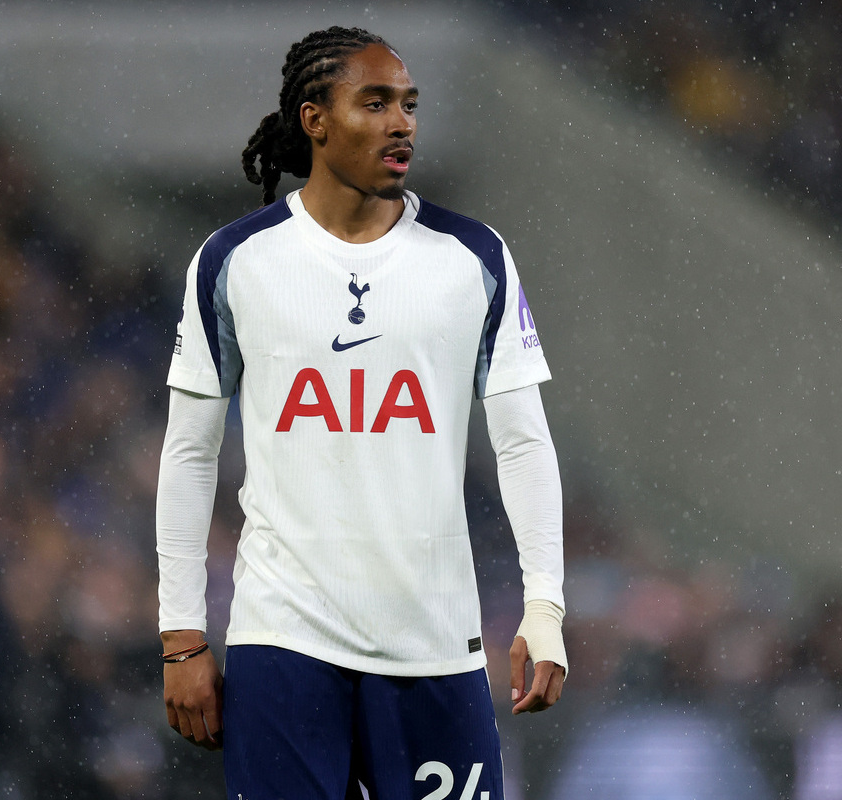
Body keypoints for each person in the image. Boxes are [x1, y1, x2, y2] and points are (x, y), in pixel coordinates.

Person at [155, 26, 567, 799]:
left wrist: (544, 604)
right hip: (283, 644)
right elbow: (188, 454)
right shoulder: (235, 260)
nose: (401, 121)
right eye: (374, 103)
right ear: (314, 119)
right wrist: (182, 638)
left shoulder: (472, 256)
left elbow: (523, 443)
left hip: (435, 646)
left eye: (409, 105)